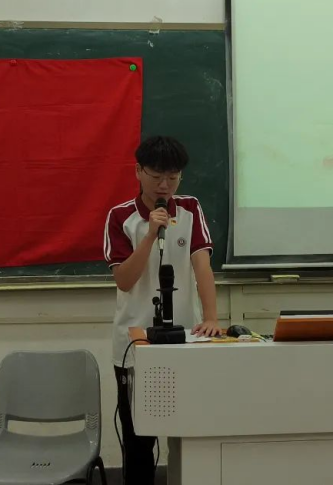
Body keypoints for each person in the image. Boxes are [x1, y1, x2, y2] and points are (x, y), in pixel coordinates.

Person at [103, 135, 222, 484]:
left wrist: (211, 318)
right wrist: (149, 234)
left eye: (173, 177)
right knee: (138, 440)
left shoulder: (190, 209)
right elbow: (124, 280)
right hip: (134, 344)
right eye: (156, 176)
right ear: (138, 171)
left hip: (185, 338)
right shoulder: (120, 217)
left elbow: (202, 267)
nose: (165, 186)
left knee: (190, 433)